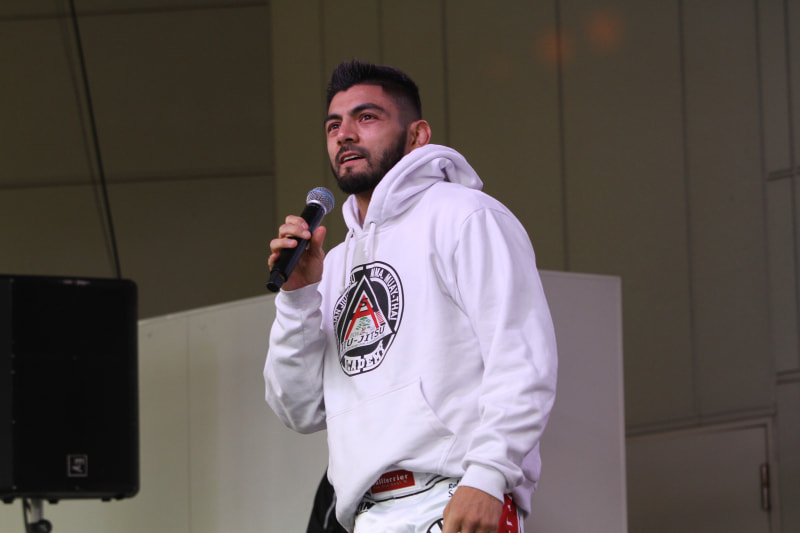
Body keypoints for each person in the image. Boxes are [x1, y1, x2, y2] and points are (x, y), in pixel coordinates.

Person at [264, 59, 557, 533]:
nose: (345, 134)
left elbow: (522, 357)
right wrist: (298, 297)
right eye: (333, 125)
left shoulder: (466, 216)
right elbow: (299, 409)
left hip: (453, 495)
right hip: (367, 512)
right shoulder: (332, 263)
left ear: (417, 135)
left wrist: (488, 475)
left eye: (367, 117)